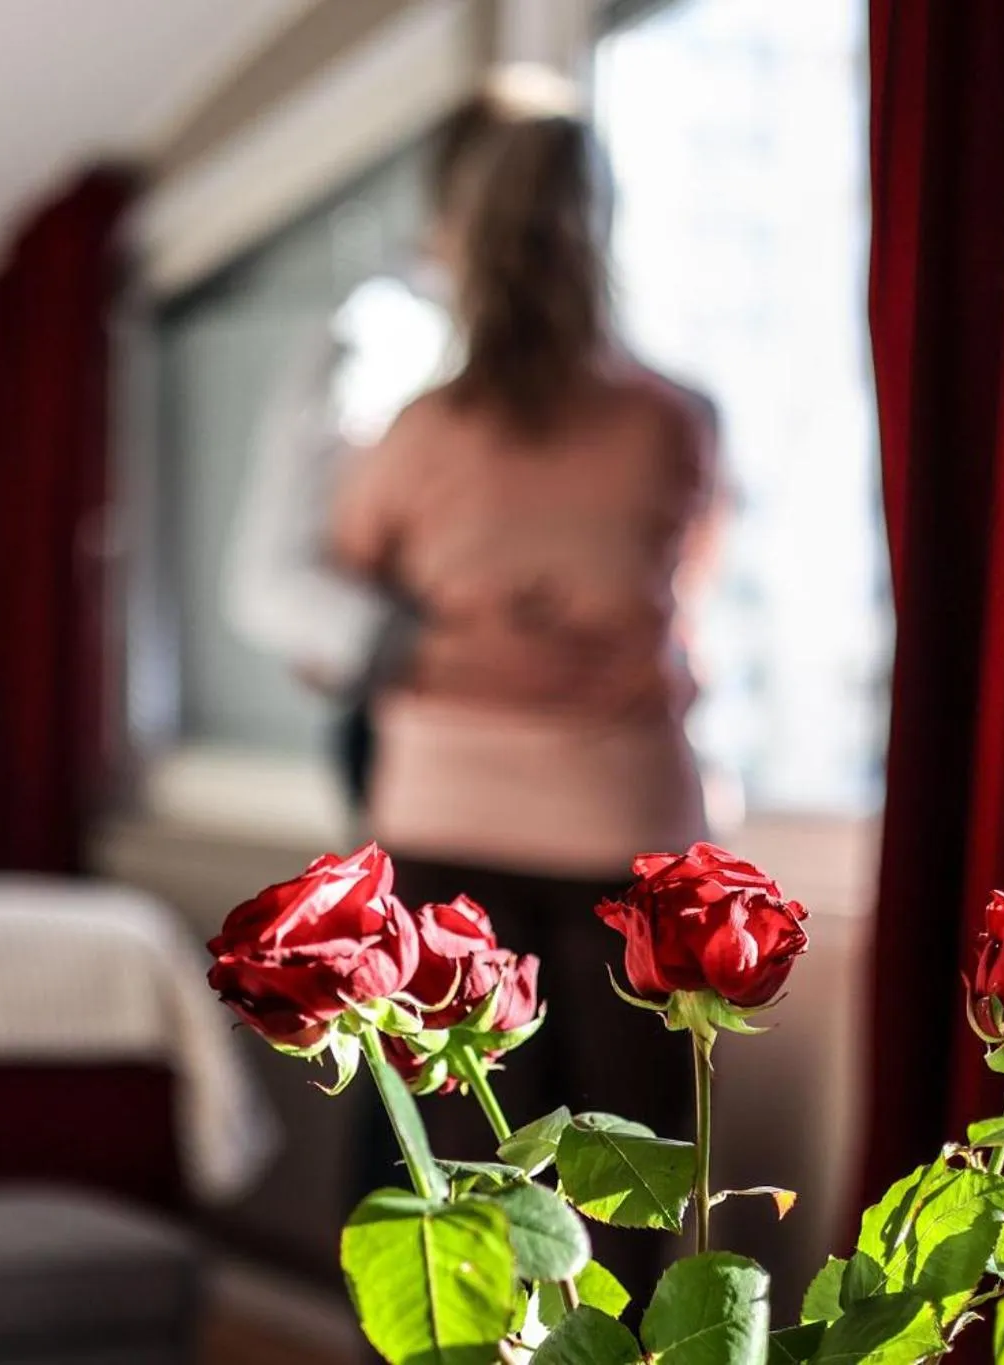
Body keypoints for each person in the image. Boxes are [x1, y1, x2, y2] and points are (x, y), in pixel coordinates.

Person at [328, 102, 724, 1296]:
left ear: (464, 238)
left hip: (445, 813)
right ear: (600, 231)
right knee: (627, 1186)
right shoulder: (671, 422)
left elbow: (352, 599)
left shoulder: (415, 433)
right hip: (624, 823)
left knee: (442, 1196)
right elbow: (682, 599)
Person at [221, 95, 509, 818]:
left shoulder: (614, 389)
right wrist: (418, 646)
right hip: (419, 739)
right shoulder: (377, 338)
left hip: (583, 756)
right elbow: (268, 581)